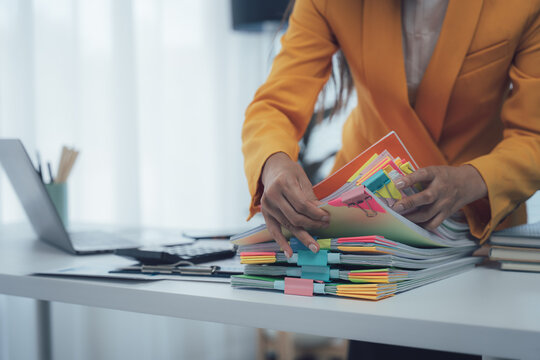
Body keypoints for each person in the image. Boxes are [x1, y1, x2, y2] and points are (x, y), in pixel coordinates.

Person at [242, 1, 540, 358]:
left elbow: (533, 135)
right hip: (373, 240)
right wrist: (273, 163)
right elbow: (275, 103)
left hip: (476, 231)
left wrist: (471, 180)